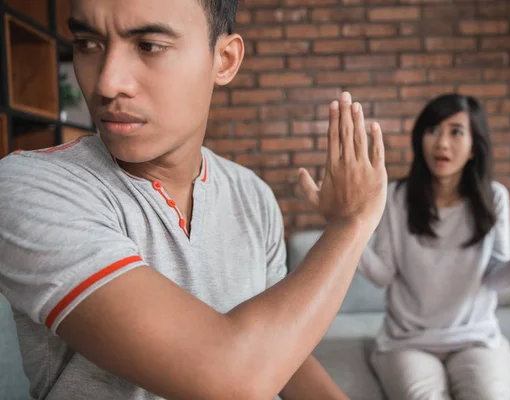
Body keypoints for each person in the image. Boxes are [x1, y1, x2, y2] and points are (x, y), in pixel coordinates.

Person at [0, 0, 388, 399]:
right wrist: (351, 224)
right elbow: (235, 378)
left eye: (148, 45)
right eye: (87, 43)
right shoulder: (29, 186)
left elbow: (280, 353)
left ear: (224, 59)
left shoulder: (251, 193)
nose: (107, 83)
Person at [358, 93, 510, 400]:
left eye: (456, 132)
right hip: (407, 341)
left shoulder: (493, 197)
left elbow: (496, 278)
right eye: (432, 130)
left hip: (475, 339)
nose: (441, 143)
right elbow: (382, 275)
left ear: (474, 145)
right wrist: (348, 229)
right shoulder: (396, 197)